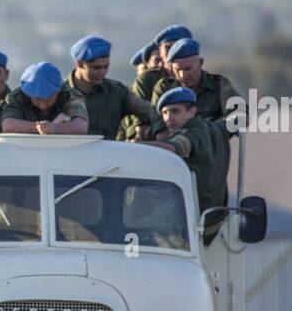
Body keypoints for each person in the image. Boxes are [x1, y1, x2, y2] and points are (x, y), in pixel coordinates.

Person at [142, 86, 230, 243]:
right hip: (214, 221)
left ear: (192, 111)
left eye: (175, 111)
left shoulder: (191, 134)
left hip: (190, 228)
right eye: (165, 113)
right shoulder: (216, 129)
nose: (168, 118)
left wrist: (132, 148)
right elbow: (236, 122)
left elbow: (175, 147)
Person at [64, 34, 157, 140]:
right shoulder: (59, 93)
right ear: (80, 64)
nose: (103, 72)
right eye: (96, 68)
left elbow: (151, 112)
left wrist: (141, 124)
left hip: (107, 155)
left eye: (106, 66)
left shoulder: (117, 92)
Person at [151, 37, 241, 127]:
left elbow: (240, 115)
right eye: (177, 70)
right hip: (173, 140)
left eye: (188, 69)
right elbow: (158, 128)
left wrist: (212, 130)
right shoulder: (164, 87)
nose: (183, 75)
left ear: (200, 63)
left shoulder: (218, 85)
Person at [0, 62, 88, 135]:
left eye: (49, 100)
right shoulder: (18, 96)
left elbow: (81, 126)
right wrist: (39, 128)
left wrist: (53, 128)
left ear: (58, 91)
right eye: (37, 100)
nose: (43, 106)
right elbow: (8, 125)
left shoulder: (70, 95)